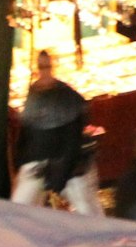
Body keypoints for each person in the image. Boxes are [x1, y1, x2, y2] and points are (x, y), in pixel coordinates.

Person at [11, 50, 100, 216]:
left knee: (88, 212)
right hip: (39, 162)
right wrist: (22, 163)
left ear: (54, 67)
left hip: (69, 165)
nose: (44, 71)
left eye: (47, 66)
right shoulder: (35, 93)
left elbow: (72, 140)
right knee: (19, 209)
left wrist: (60, 175)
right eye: (41, 66)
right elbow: (28, 131)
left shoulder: (68, 97)